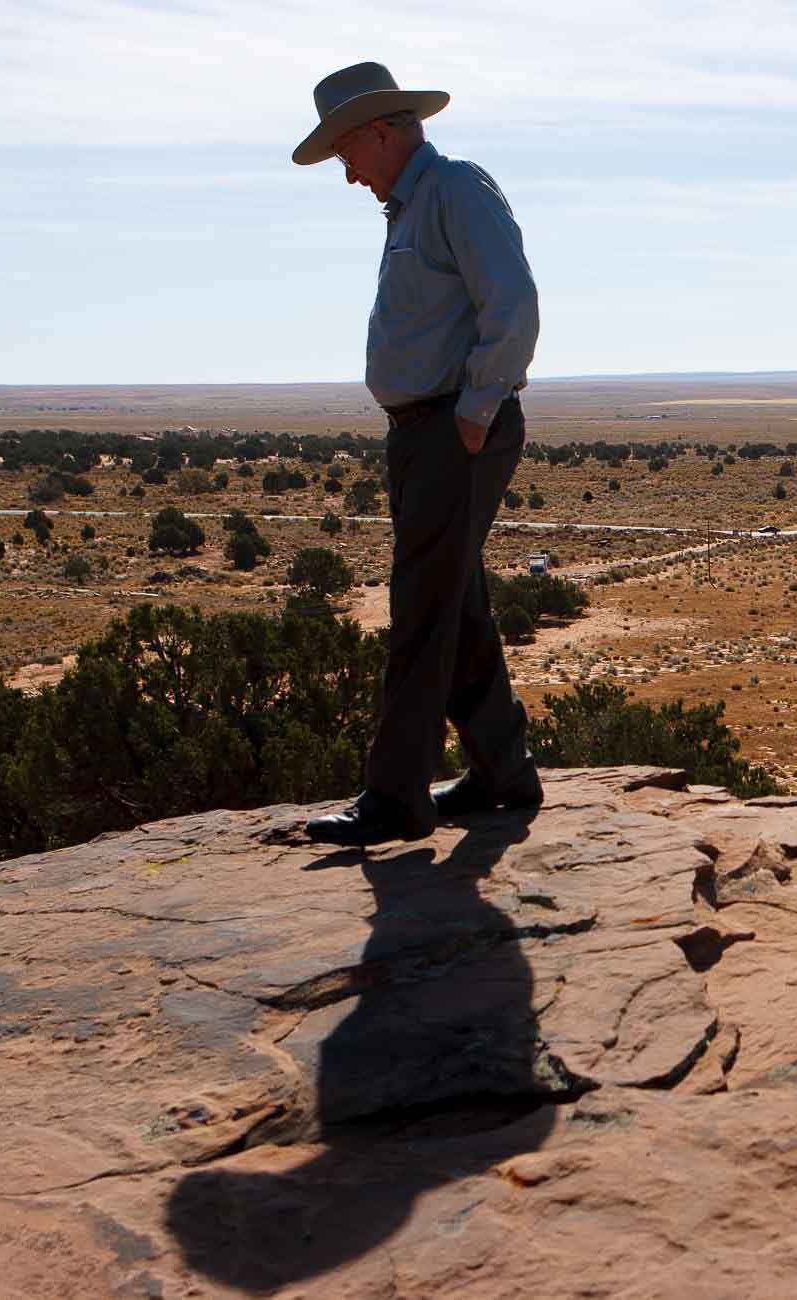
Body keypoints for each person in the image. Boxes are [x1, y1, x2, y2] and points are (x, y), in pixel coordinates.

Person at [291, 62, 543, 846]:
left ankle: (397, 797)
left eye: (347, 157)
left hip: (453, 431)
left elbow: (514, 302)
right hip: (424, 433)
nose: (348, 176)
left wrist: (473, 410)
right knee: (455, 602)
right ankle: (503, 773)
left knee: (423, 609)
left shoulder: (455, 189)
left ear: (379, 131)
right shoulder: (410, 207)